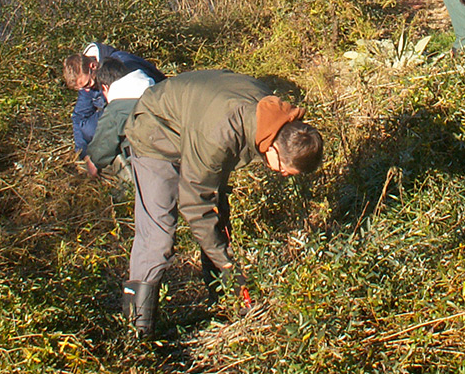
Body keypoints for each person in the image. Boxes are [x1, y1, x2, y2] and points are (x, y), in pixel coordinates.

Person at [120, 69, 323, 335]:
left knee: (218, 216)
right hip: (155, 132)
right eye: (285, 168)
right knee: (158, 236)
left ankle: (223, 303)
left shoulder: (268, 116)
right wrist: (227, 264)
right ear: (273, 146)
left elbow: (211, 194)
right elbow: (195, 205)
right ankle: (137, 330)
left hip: (195, 126)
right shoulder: (221, 134)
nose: (283, 174)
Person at [62, 43, 164, 163]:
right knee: (87, 127)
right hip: (115, 114)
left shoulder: (123, 64)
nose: (87, 90)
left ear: (93, 66)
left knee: (94, 128)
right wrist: (82, 153)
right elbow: (79, 117)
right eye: (82, 88)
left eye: (87, 84)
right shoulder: (86, 81)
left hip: (143, 107)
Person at [83, 57, 157, 179]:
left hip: (148, 163)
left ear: (105, 87)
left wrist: (92, 162)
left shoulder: (115, 110)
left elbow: (101, 148)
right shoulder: (154, 88)